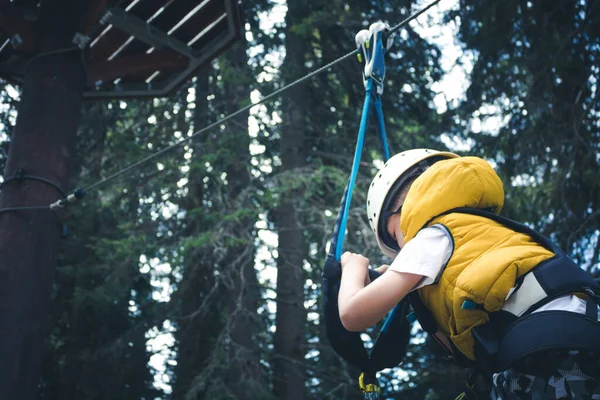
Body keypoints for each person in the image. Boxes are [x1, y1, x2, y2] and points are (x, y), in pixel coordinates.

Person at [339, 149, 600, 399]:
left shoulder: (431, 235)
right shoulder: (484, 232)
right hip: (580, 326)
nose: (400, 251)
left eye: (394, 237)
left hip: (546, 346)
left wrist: (354, 267)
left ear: (402, 212)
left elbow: (352, 314)